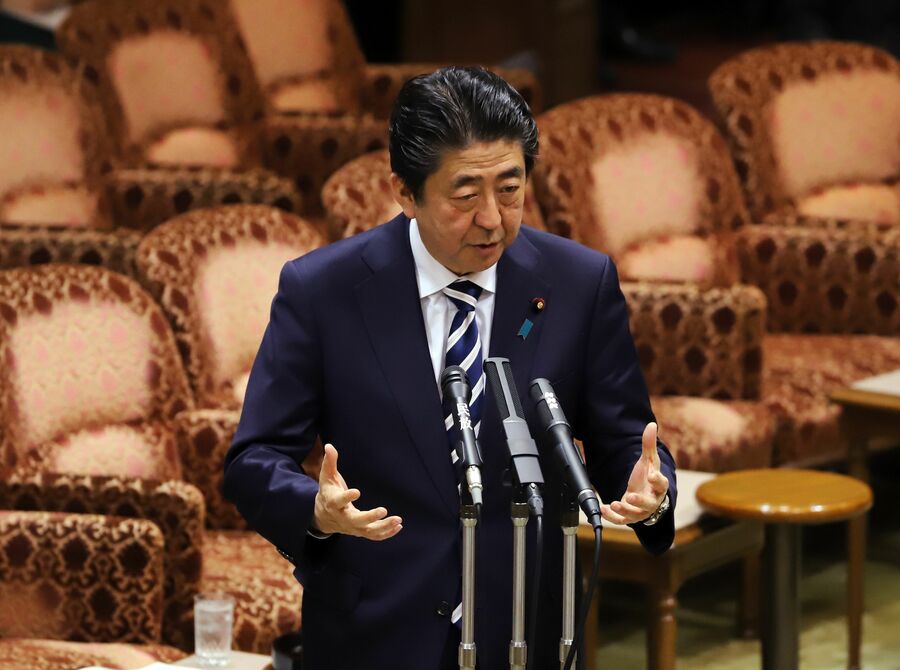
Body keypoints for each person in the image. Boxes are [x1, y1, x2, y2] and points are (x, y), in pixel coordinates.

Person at [224, 66, 676, 670]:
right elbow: (254, 459)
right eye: (465, 196)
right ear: (405, 193)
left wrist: (650, 494)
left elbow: (626, 442)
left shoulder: (578, 283)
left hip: (523, 626)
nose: (492, 218)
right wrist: (315, 509)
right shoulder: (323, 291)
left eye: (510, 189)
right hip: (376, 631)